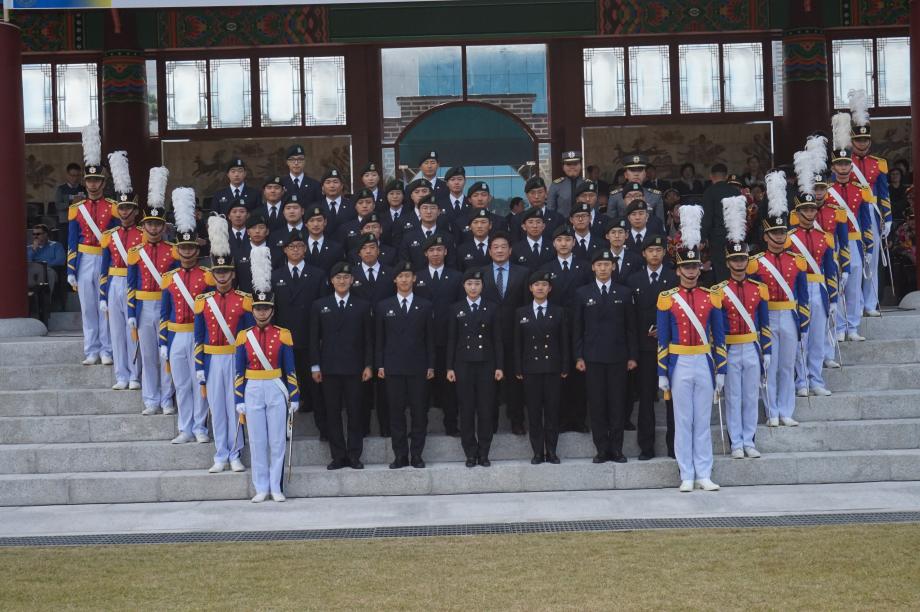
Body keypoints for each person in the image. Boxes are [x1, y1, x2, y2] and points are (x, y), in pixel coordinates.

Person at [656, 204, 726, 492]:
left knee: (702, 421)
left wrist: (721, 370)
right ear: (678, 269)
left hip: (704, 362)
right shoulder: (667, 298)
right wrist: (662, 372)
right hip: (679, 363)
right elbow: (662, 339)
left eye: (695, 266)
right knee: (683, 421)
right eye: (686, 266)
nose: (691, 271)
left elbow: (719, 337)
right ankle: (686, 473)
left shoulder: (712, 296)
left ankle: (704, 473)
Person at [234, 249, 299, 503]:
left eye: (265, 309)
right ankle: (261, 486)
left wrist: (294, 395)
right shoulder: (244, 336)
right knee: (257, 440)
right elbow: (239, 372)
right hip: (252, 387)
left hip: (275, 386)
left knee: (277, 441)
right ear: (253, 310)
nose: (262, 313)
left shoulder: (283, 334)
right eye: (258, 309)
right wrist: (239, 397)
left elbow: (290, 369)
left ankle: (276, 486)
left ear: (272, 310)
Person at [748, 175, 809, 428]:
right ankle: (771, 411)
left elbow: (803, 295)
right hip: (768, 317)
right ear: (766, 236)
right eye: (775, 232)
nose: (780, 236)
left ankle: (786, 410)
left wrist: (804, 322)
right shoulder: (756, 263)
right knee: (769, 366)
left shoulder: (797, 261)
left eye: (783, 231)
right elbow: (751, 298)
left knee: (786, 365)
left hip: (790, 316)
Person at [194, 217, 253, 473]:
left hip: (235, 359)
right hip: (212, 359)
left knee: (235, 406)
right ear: (212, 274)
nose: (222, 276)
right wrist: (199, 367)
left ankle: (236, 452)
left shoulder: (244, 300)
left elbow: (249, 336)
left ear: (232, 274)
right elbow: (198, 337)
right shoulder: (203, 300)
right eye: (218, 272)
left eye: (226, 272)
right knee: (217, 408)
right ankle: (220, 454)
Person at [714, 195, 771, 459]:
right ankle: (736, 442)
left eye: (742, 259)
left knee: (750, 396)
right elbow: (716, 329)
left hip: (751, 347)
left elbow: (764, 323)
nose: (739, 264)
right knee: (733, 397)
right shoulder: (719, 291)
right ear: (728, 262)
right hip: (730, 349)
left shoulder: (759, 288)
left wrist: (767, 350)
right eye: (735, 260)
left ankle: (749, 440)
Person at [573, 249, 638, 463]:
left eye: (607, 264)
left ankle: (617, 449)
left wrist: (632, 356)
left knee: (617, 404)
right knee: (597, 404)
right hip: (592, 358)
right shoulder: (582, 293)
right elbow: (578, 328)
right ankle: (601, 448)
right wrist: (578, 356)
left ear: (613, 267)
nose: (603, 268)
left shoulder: (624, 293)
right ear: (593, 267)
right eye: (599, 265)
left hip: (618, 357)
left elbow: (631, 328)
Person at [160, 188, 213, 445]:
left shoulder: (208, 276)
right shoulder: (169, 278)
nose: (188, 251)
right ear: (178, 249)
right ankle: (185, 427)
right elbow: (164, 313)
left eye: (191, 247)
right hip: (176, 335)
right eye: (183, 247)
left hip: (198, 335)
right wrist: (163, 341)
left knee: (199, 382)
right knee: (181, 383)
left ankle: (201, 426)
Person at [311, 261, 374, 470]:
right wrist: (315, 366)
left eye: (346, 277)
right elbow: (314, 339)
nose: (342, 281)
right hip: (329, 368)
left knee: (355, 412)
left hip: (355, 368)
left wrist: (368, 365)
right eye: (338, 278)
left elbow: (368, 339)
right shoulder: (320, 305)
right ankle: (338, 456)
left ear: (352, 280)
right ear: (331, 281)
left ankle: (354, 455)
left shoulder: (362, 305)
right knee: (333, 413)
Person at [376, 261, 435, 469]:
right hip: (393, 367)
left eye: (408, 276)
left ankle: (417, 455)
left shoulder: (425, 305)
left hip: (418, 367)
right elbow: (380, 339)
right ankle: (400, 455)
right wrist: (380, 364)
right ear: (395, 279)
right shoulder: (384, 306)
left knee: (419, 413)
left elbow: (430, 339)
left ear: (414, 279)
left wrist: (431, 365)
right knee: (396, 413)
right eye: (400, 276)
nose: (404, 280)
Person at [271, 229, 328, 438]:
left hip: (310, 338)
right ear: (285, 250)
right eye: (291, 247)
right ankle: (284, 429)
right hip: (284, 340)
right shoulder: (275, 276)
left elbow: (323, 308)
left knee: (316, 387)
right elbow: (272, 311)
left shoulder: (318, 274)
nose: (295, 250)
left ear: (305, 249)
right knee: (285, 387)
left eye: (299, 246)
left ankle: (324, 429)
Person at [68, 126, 117, 365]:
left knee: (104, 305)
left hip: (106, 259)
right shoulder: (76, 209)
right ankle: (91, 349)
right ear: (85, 182)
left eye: (97, 180)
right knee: (87, 306)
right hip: (85, 258)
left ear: (103, 182)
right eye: (89, 180)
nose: (93, 184)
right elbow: (71, 241)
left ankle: (107, 349)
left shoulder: (114, 207)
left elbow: (116, 240)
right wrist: (70, 269)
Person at [625, 234, 678, 460]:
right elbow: (629, 317)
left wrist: (665, 330)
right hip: (644, 348)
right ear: (644, 254)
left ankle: (674, 445)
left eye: (658, 250)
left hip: (671, 347)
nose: (655, 254)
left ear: (664, 253)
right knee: (646, 397)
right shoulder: (633, 280)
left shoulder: (674, 278)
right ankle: (646, 446)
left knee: (672, 398)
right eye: (650, 251)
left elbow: (680, 313)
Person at [447, 268, 504, 467]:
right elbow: (452, 339)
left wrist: (499, 366)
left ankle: (484, 452)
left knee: (486, 410)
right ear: (464, 286)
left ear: (482, 286)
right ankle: (470, 453)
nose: (473, 287)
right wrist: (449, 367)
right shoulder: (456, 308)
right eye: (470, 284)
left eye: (477, 284)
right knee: (467, 410)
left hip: (486, 365)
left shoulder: (492, 308)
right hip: (463, 365)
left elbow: (497, 339)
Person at [127, 201, 177, 416]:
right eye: (150, 224)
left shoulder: (174, 251)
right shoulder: (135, 252)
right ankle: (151, 399)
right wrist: (131, 312)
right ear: (144, 226)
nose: (154, 228)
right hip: (144, 306)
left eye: (157, 224)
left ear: (164, 226)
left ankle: (167, 399)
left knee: (166, 355)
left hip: (165, 307)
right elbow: (131, 284)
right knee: (148, 355)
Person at [514, 270, 569, 464]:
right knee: (534, 413)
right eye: (536, 285)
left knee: (552, 412)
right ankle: (537, 452)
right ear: (530, 288)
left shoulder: (559, 311)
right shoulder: (521, 312)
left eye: (544, 285)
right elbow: (518, 344)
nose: (540, 288)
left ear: (550, 288)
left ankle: (551, 451)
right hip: (531, 369)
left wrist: (565, 366)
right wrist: (518, 368)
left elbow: (564, 341)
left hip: (553, 368)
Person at [540, 225, 591, 433]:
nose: (563, 244)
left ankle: (579, 419)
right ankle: (560, 419)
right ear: (553, 243)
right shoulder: (546, 268)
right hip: (554, 328)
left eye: (568, 240)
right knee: (558, 375)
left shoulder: (585, 266)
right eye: (559, 240)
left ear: (574, 242)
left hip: (580, 326)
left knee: (579, 375)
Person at [788, 192, 838, 397]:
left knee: (817, 337)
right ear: (798, 212)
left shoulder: (825, 237)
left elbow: (830, 270)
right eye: (805, 210)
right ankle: (801, 381)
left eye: (812, 209)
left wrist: (833, 298)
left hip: (819, 288)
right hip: (798, 290)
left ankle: (816, 379)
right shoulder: (789, 238)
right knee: (802, 337)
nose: (809, 213)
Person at [413, 234, 464, 437]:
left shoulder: (457, 277)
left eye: (439, 250)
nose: (435, 253)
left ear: (446, 252)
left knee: (449, 385)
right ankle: (419, 427)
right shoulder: (416, 277)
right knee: (421, 388)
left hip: (447, 339)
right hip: (421, 341)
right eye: (431, 250)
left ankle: (451, 425)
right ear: (425, 253)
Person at [480, 231, 529, 435]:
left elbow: (526, 305)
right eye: (495, 247)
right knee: (488, 382)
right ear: (489, 251)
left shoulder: (523, 273)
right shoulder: (480, 274)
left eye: (503, 247)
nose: (499, 250)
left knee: (515, 381)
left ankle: (516, 420)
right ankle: (489, 422)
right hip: (487, 336)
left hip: (514, 335)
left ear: (510, 250)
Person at [847, 97, 891, 319]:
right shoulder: (845, 162)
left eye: (865, 139)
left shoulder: (878, 163)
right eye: (859, 140)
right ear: (852, 141)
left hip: (872, 213)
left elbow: (884, 193)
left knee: (871, 258)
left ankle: (870, 303)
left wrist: (888, 217)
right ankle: (855, 304)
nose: (862, 143)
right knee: (854, 260)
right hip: (851, 213)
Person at [98, 188, 143, 391]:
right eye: (121, 208)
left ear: (135, 211)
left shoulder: (142, 234)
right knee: (116, 331)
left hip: (133, 284)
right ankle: (121, 375)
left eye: (128, 208)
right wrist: (102, 295)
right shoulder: (110, 236)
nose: (124, 212)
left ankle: (135, 375)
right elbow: (104, 268)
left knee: (132, 331)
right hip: (114, 282)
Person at [827, 147, 871, 342]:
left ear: (851, 166)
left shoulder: (860, 190)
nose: (843, 167)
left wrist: (869, 246)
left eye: (846, 164)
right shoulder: (827, 192)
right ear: (833, 167)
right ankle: (839, 327)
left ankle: (852, 327)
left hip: (854, 242)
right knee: (836, 284)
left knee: (853, 286)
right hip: (834, 243)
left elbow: (866, 220)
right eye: (839, 164)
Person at [701, 163, 742, 282]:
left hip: (717, 238)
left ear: (711, 176)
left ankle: (724, 292)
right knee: (736, 267)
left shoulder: (709, 192)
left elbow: (707, 218)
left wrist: (702, 238)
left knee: (721, 270)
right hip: (736, 237)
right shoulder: (736, 192)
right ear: (727, 176)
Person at [607, 155, 665, 225]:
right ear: (625, 175)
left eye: (640, 170)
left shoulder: (655, 196)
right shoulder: (615, 196)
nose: (636, 174)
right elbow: (610, 224)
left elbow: (660, 224)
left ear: (645, 174)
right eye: (632, 170)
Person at [510, 177, 564, 242]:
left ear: (546, 193)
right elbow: (515, 244)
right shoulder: (517, 219)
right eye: (532, 193)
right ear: (526, 195)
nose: (536, 196)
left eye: (540, 192)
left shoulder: (557, 218)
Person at [234, 214, 270, 294]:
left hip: (272, 298)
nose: (257, 231)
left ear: (267, 231)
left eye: (261, 227)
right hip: (247, 298)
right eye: (253, 228)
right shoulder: (238, 253)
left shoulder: (276, 252)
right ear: (248, 232)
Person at [303, 205, 345, 274]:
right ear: (306, 224)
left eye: (319, 220)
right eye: (311, 220)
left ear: (325, 222)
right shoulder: (299, 246)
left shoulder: (336, 248)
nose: (316, 224)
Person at [511, 206, 555, 271]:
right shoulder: (516, 249)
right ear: (524, 226)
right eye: (530, 222)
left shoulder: (552, 247)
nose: (535, 226)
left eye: (538, 222)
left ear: (543, 226)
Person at [27, 223, 66, 294]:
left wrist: (44, 266)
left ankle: (47, 297)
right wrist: (33, 250)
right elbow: (25, 262)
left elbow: (61, 260)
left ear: (46, 234)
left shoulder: (56, 245)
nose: (35, 236)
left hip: (49, 269)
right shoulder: (29, 248)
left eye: (38, 234)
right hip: (32, 270)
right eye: (34, 234)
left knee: (48, 273)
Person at [603, 216, 643, 284]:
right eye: (613, 232)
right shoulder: (601, 259)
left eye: (620, 232)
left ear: (626, 235)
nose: (617, 236)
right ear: (607, 236)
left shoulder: (635, 259)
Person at [314, 168, 353, 237]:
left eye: (335, 182)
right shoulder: (316, 207)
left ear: (341, 186)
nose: (332, 186)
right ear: (322, 187)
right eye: (328, 182)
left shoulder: (351, 205)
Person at [547, 150, 585, 218]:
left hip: (584, 222)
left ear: (581, 166)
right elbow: (550, 210)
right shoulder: (556, 185)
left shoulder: (587, 184)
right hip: (562, 223)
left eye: (575, 164)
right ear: (563, 167)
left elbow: (594, 209)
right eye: (568, 164)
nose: (572, 167)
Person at [55, 162, 84, 245]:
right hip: (65, 223)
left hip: (80, 222)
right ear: (67, 175)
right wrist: (71, 204)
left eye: (77, 175)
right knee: (65, 245)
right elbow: (58, 205)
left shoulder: (83, 189)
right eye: (72, 175)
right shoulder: (61, 189)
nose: (75, 178)